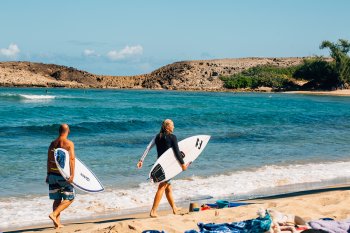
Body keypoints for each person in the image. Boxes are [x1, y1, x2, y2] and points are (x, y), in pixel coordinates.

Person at [137, 119, 187, 217]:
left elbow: (148, 147)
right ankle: (153, 211)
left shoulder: (157, 136)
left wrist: (141, 160)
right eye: (172, 125)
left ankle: (174, 208)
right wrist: (182, 164)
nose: (174, 127)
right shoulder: (173, 137)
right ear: (167, 127)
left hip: (159, 165)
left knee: (168, 187)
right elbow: (177, 152)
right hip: (168, 166)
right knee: (162, 187)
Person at [46, 124, 75, 228]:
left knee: (57, 199)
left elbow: (49, 159)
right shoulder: (69, 143)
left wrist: (48, 174)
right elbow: (72, 159)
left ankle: (57, 224)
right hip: (63, 176)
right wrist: (72, 175)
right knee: (70, 198)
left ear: (59, 131)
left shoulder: (52, 143)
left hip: (52, 175)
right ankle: (53, 214)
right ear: (68, 131)